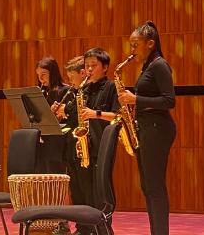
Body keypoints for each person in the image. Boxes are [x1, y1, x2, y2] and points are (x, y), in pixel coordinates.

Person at [118, 21, 176, 235]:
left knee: (155, 186)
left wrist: (135, 99)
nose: (131, 51)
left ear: (150, 43)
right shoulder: (147, 66)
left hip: (157, 128)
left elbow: (169, 101)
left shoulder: (160, 65)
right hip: (146, 127)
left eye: (135, 45)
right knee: (147, 186)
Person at [77, 48, 120, 235]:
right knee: (85, 191)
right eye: (87, 66)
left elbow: (118, 116)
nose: (89, 69)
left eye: (94, 65)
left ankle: (103, 229)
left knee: (101, 192)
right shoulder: (84, 89)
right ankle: (86, 229)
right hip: (87, 145)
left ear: (105, 67)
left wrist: (96, 114)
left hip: (103, 145)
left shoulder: (111, 87)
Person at [52, 56, 93, 235]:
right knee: (76, 189)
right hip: (72, 146)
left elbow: (82, 114)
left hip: (86, 147)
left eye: (72, 78)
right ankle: (81, 227)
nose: (70, 82)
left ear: (82, 73)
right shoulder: (75, 92)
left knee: (86, 189)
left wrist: (66, 110)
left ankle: (90, 228)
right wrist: (61, 113)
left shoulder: (87, 91)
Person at [35, 56, 69, 174]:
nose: (40, 78)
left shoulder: (65, 90)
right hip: (42, 141)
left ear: (53, 73)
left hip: (57, 143)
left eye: (43, 74)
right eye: (38, 75)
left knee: (55, 176)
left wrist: (53, 114)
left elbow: (66, 118)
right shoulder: (40, 93)